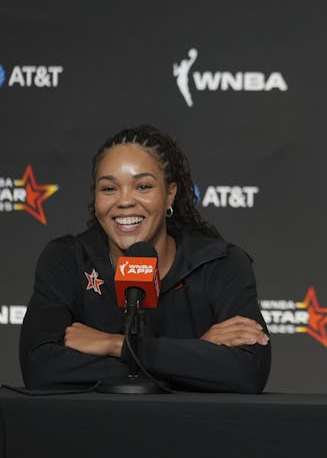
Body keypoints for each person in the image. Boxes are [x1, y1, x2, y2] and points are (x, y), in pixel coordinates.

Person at [19, 125, 271, 393]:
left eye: (143, 186)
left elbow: (246, 373)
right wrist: (194, 357)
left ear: (169, 194)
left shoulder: (221, 263)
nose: (124, 201)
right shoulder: (68, 259)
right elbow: (40, 368)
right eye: (109, 188)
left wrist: (116, 345)